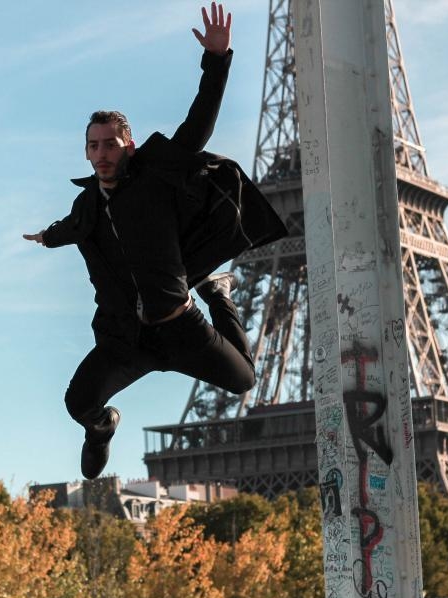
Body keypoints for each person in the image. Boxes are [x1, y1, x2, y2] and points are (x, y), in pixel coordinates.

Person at [23, 2, 286, 480]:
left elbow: (197, 125)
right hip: (128, 340)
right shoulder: (87, 205)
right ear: (86, 152)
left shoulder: (154, 178)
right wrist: (47, 236)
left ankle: (218, 294)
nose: (102, 154)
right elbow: (71, 227)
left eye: (110, 144)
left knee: (243, 379)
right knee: (77, 402)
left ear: (129, 144)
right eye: (94, 146)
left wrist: (217, 60)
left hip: (182, 327)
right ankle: (103, 428)